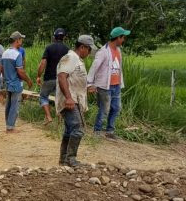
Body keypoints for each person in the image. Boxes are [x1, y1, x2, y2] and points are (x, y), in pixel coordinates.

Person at [56, 35, 97, 167]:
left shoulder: (76, 59)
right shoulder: (71, 57)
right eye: (89, 49)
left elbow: (73, 79)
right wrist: (68, 97)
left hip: (74, 99)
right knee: (78, 129)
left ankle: (63, 159)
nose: (89, 53)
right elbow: (62, 76)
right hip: (70, 100)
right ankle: (70, 159)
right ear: (82, 47)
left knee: (69, 130)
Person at [87, 26, 130, 139]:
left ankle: (110, 131)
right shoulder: (103, 51)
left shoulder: (118, 50)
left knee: (116, 108)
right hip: (104, 86)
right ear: (117, 38)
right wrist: (90, 84)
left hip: (116, 85)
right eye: (123, 37)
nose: (124, 40)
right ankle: (97, 131)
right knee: (104, 109)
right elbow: (94, 67)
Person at [0, 31, 33, 133]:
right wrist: (28, 80)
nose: (22, 41)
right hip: (15, 83)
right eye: (21, 39)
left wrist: (6, 78)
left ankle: (8, 124)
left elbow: (1, 68)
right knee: (14, 105)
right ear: (17, 40)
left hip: (8, 82)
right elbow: (20, 71)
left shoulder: (5, 53)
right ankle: (10, 127)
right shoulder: (17, 54)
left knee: (8, 104)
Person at [36, 28, 69, 124]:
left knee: (43, 96)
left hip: (49, 78)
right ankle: (60, 121)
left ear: (54, 37)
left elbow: (43, 63)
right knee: (60, 99)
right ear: (64, 37)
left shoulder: (49, 48)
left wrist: (38, 76)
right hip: (62, 79)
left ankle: (49, 117)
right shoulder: (67, 50)